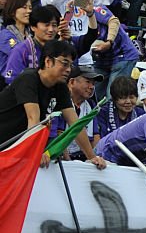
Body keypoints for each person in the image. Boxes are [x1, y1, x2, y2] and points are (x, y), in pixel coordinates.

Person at [0, 40, 105, 169]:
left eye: (70, 65)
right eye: (64, 63)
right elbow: (33, 120)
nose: (68, 70)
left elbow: (75, 125)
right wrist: (37, 152)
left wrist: (92, 157)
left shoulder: (60, 87)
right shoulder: (28, 79)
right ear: (48, 61)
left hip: (16, 147)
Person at [3, 4, 60, 84]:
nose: (51, 29)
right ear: (33, 27)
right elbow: (11, 80)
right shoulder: (21, 50)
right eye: (46, 25)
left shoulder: (59, 48)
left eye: (54, 25)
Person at [96, 75, 143, 140]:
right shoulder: (103, 113)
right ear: (114, 99)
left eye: (132, 97)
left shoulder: (141, 114)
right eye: (123, 98)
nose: (128, 101)